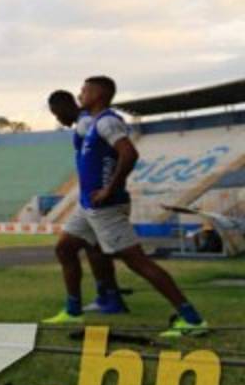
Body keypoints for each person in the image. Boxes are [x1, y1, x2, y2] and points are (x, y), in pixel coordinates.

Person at [42, 77, 207, 338]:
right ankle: (73, 309)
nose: (80, 95)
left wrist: (109, 188)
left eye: (84, 90)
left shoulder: (107, 121)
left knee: (137, 262)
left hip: (105, 207)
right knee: (65, 247)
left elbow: (129, 153)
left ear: (96, 94)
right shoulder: (94, 123)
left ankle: (192, 319)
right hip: (88, 206)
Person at [46, 89, 129, 314]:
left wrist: (107, 187)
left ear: (63, 107)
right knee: (84, 248)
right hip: (90, 199)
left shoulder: (85, 124)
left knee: (127, 256)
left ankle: (108, 297)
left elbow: (115, 153)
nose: (58, 120)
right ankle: (106, 297)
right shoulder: (85, 122)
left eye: (56, 114)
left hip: (99, 200)